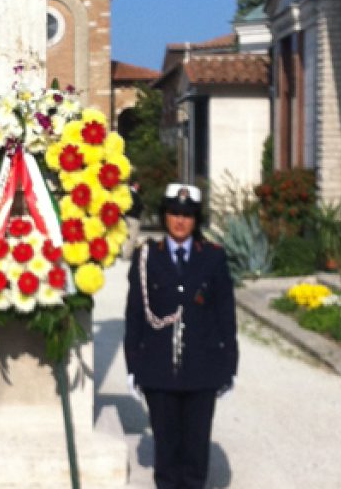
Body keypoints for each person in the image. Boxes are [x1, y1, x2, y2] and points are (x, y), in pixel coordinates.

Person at [124, 182, 238, 489]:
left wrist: (229, 365)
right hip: (159, 368)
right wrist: (133, 365)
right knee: (167, 445)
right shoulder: (147, 257)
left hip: (202, 367)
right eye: (174, 213)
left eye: (187, 215)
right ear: (164, 216)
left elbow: (225, 314)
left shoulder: (213, 258)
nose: (180, 221)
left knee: (196, 446)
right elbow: (135, 314)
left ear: (196, 220)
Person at [124, 179, 144, 259]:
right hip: (133, 217)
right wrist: (141, 207)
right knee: (132, 237)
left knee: (130, 237)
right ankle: (127, 255)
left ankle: (130, 253)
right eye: (137, 185)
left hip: (127, 217)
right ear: (135, 185)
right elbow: (136, 206)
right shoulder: (133, 194)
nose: (138, 187)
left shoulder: (128, 193)